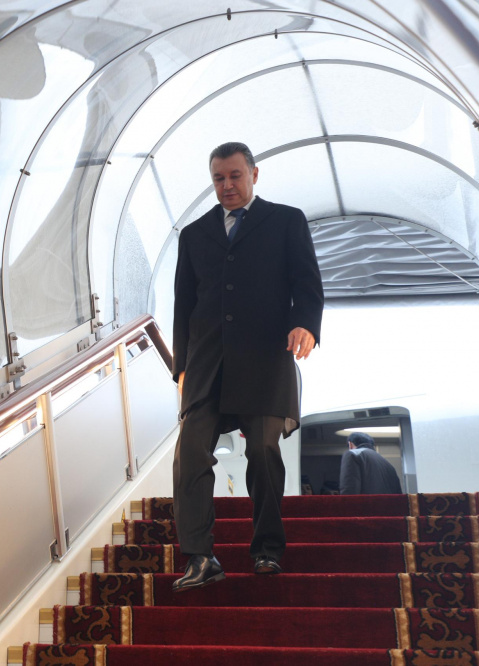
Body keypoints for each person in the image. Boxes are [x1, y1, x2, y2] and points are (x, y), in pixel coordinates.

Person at [171, 142, 324, 591]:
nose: (227, 186)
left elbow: (306, 282)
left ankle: (267, 549)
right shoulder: (193, 235)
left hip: (264, 359)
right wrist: (181, 367)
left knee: (262, 451)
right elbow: (183, 306)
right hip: (206, 365)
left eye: (235, 176)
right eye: (218, 178)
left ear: (254, 174)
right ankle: (200, 558)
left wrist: (305, 324)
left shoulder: (287, 221)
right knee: (189, 453)